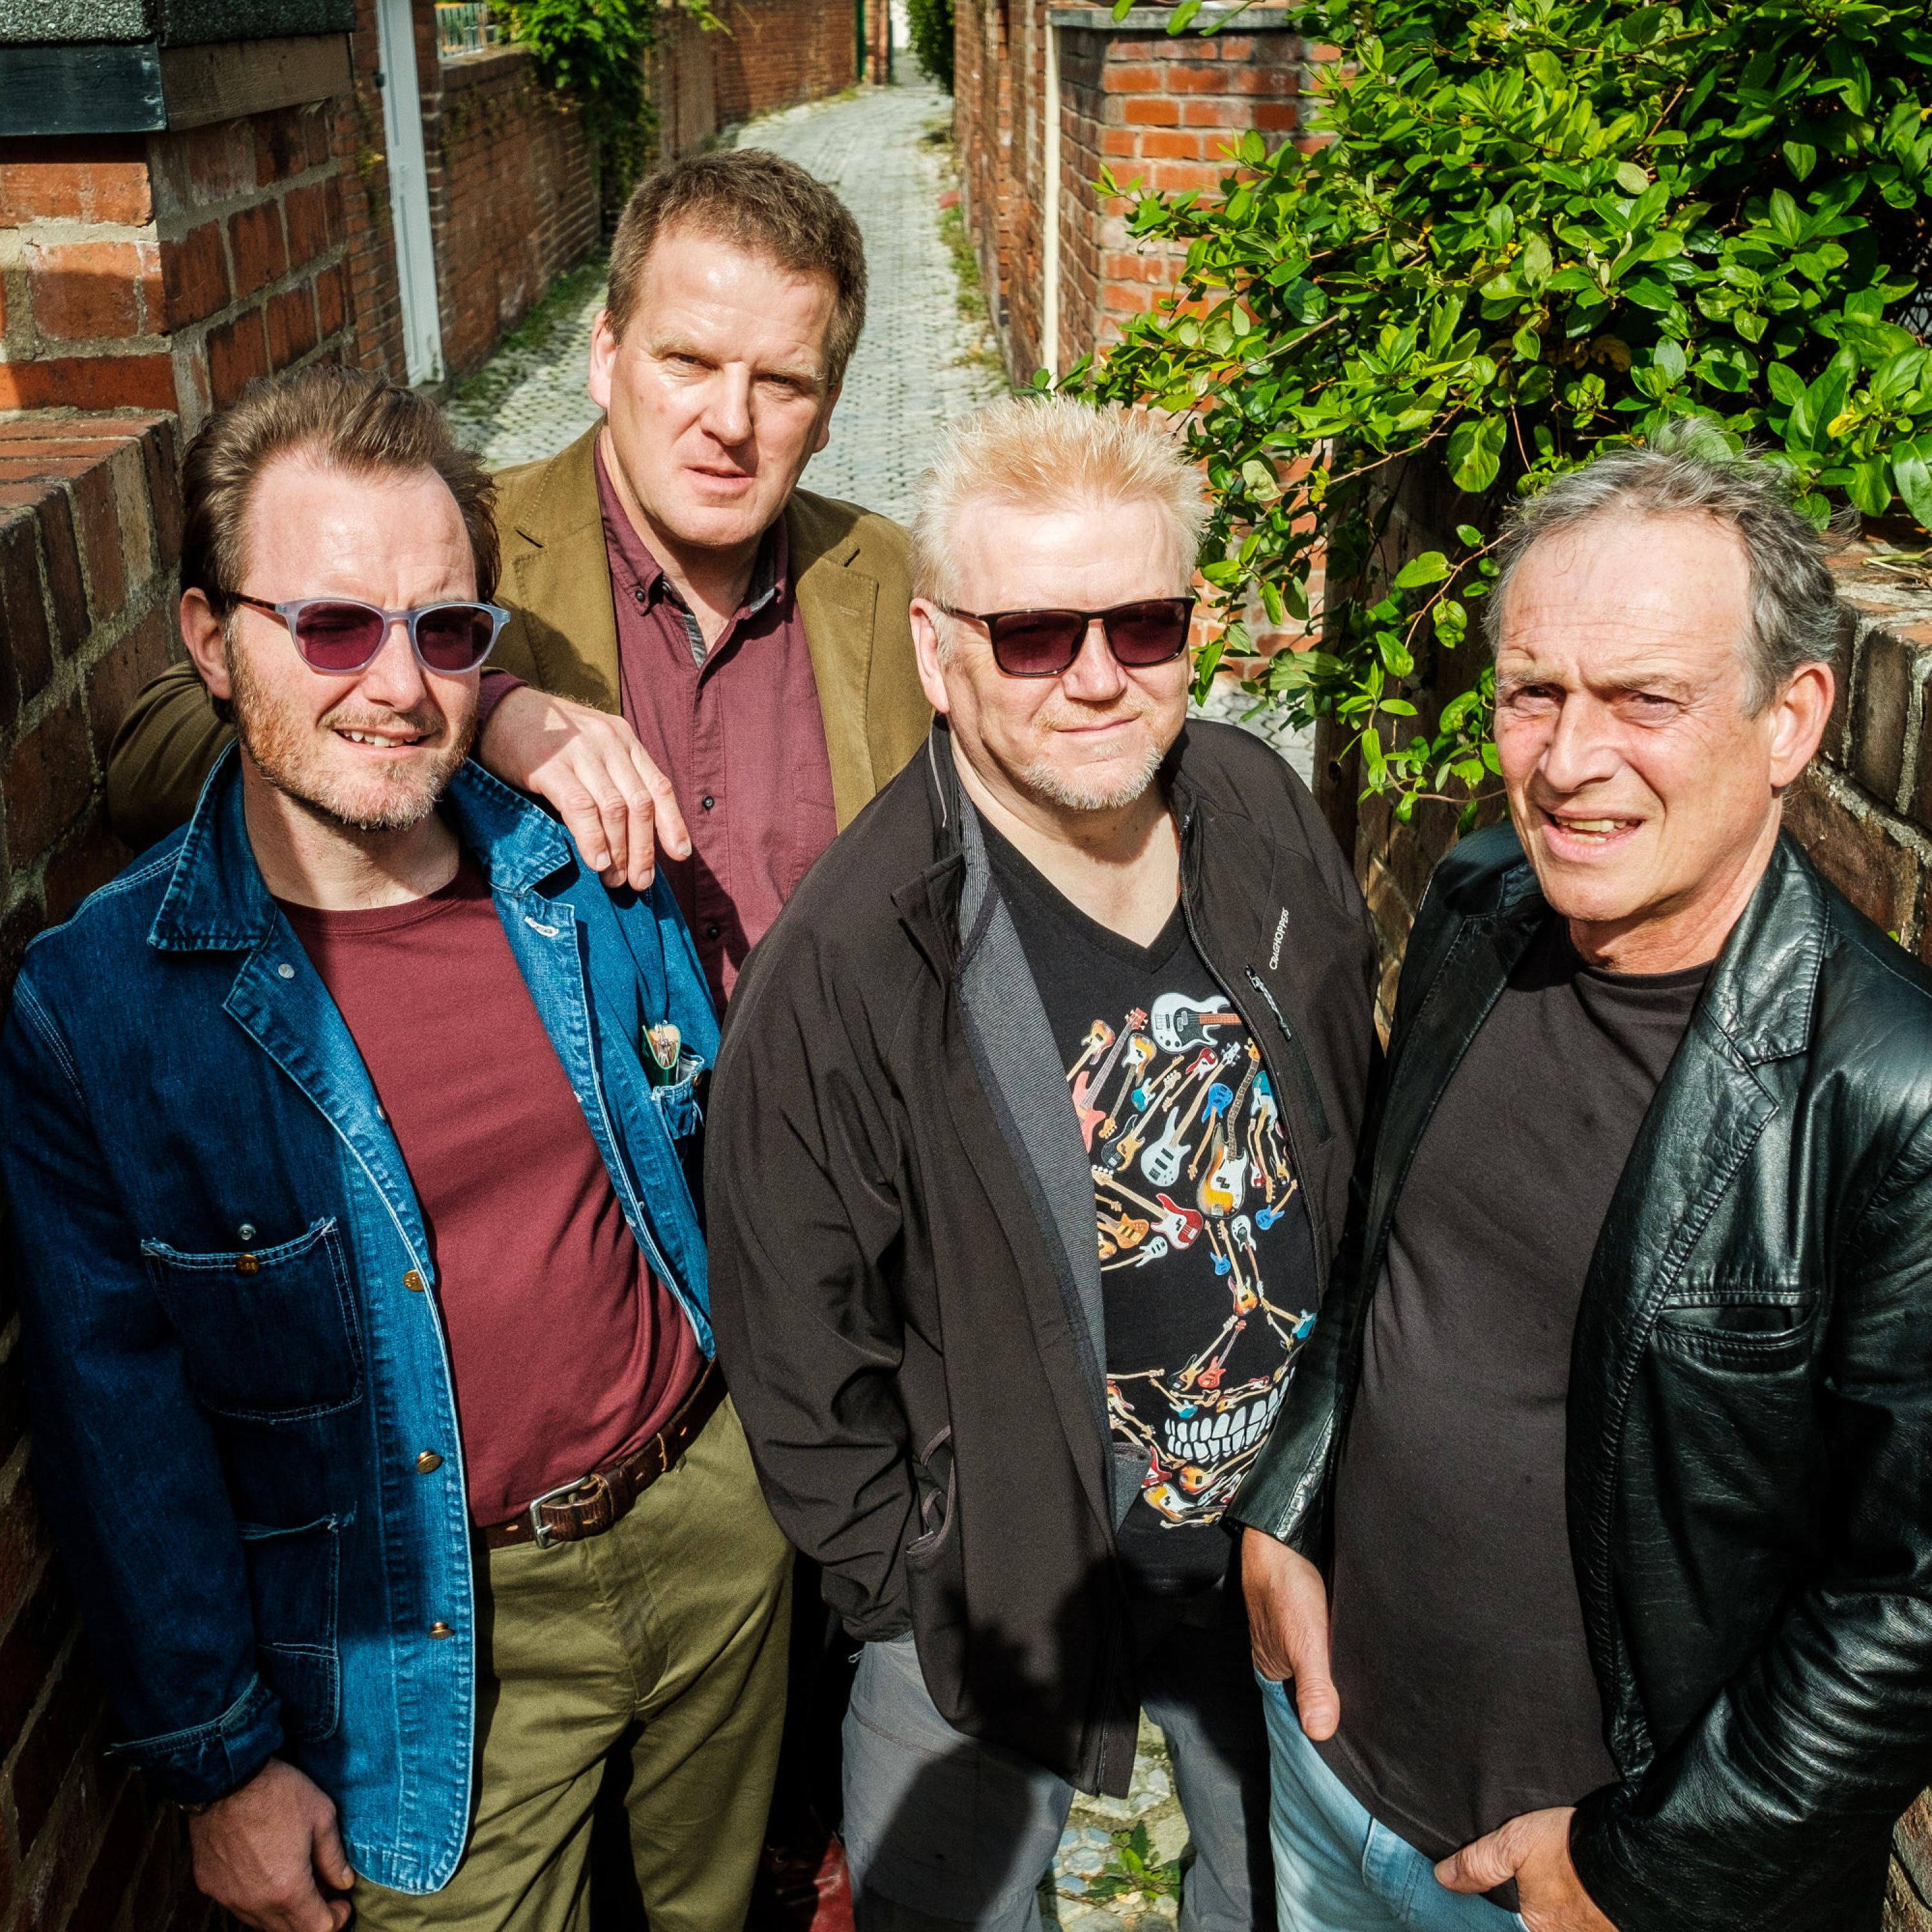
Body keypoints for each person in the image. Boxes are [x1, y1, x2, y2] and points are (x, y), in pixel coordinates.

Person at [0, 365, 790, 1932]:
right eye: (332, 626)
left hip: (712, 1530)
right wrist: (222, 1766)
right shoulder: (102, 1015)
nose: (397, 684)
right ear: (211, 641)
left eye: (444, 631)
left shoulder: (579, 872)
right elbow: (116, 1428)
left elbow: (720, 1163)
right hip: (416, 1643)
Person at [1231, 430, 1932, 1932]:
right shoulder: (1480, 904)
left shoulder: (1893, 1094)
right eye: (1533, 691)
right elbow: (1382, 1266)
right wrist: (1283, 1503)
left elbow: (1911, 1598)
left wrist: (1641, 1866)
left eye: (1644, 700)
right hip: (1330, 1781)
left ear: (1793, 718)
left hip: (1592, 1895)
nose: (1566, 761)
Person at [707, 395, 1381, 1931]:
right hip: (996, 1576)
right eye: (1031, 636)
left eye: (1143, 624)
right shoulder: (850, 958)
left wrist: (1323, 1476)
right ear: (936, 652)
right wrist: (909, 1586)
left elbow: (1353, 1116)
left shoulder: (1260, 811)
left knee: (1274, 1897)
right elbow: (797, 1338)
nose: (1095, 677)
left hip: (1273, 1533)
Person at [105, 146, 932, 1012]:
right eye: (688, 361)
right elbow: (148, 759)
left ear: (829, 411)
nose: (730, 422)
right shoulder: (451, 546)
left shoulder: (898, 577)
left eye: (782, 382)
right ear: (605, 356)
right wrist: (485, 711)